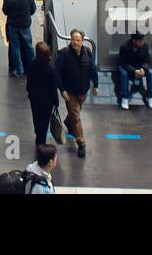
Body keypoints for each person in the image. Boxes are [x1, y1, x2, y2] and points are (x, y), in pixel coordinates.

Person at [55, 29, 99, 158]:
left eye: (78, 40)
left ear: (82, 41)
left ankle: (68, 122)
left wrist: (95, 84)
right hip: (70, 92)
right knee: (76, 117)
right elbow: (57, 73)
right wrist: (62, 90)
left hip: (83, 91)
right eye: (73, 39)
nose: (75, 42)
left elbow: (92, 69)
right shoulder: (63, 54)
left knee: (74, 114)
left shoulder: (88, 52)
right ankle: (81, 143)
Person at [2, 0, 37, 78]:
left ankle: (19, 70)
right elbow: (33, 10)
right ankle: (32, 69)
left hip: (13, 26)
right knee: (29, 47)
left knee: (15, 47)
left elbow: (5, 12)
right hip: (25, 25)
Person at [26, 42, 58, 148]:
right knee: (44, 120)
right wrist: (56, 100)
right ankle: (41, 139)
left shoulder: (31, 64)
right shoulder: (51, 68)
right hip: (47, 99)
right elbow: (53, 86)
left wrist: (29, 91)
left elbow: (29, 80)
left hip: (34, 97)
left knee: (36, 116)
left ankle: (38, 134)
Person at [116, 31, 152, 110]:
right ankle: (125, 97)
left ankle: (150, 97)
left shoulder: (145, 46)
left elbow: (147, 61)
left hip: (140, 67)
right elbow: (123, 62)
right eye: (139, 41)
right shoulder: (124, 46)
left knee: (150, 73)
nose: (141, 43)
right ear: (133, 41)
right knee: (124, 74)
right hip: (127, 67)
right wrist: (134, 70)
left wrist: (143, 69)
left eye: (142, 41)